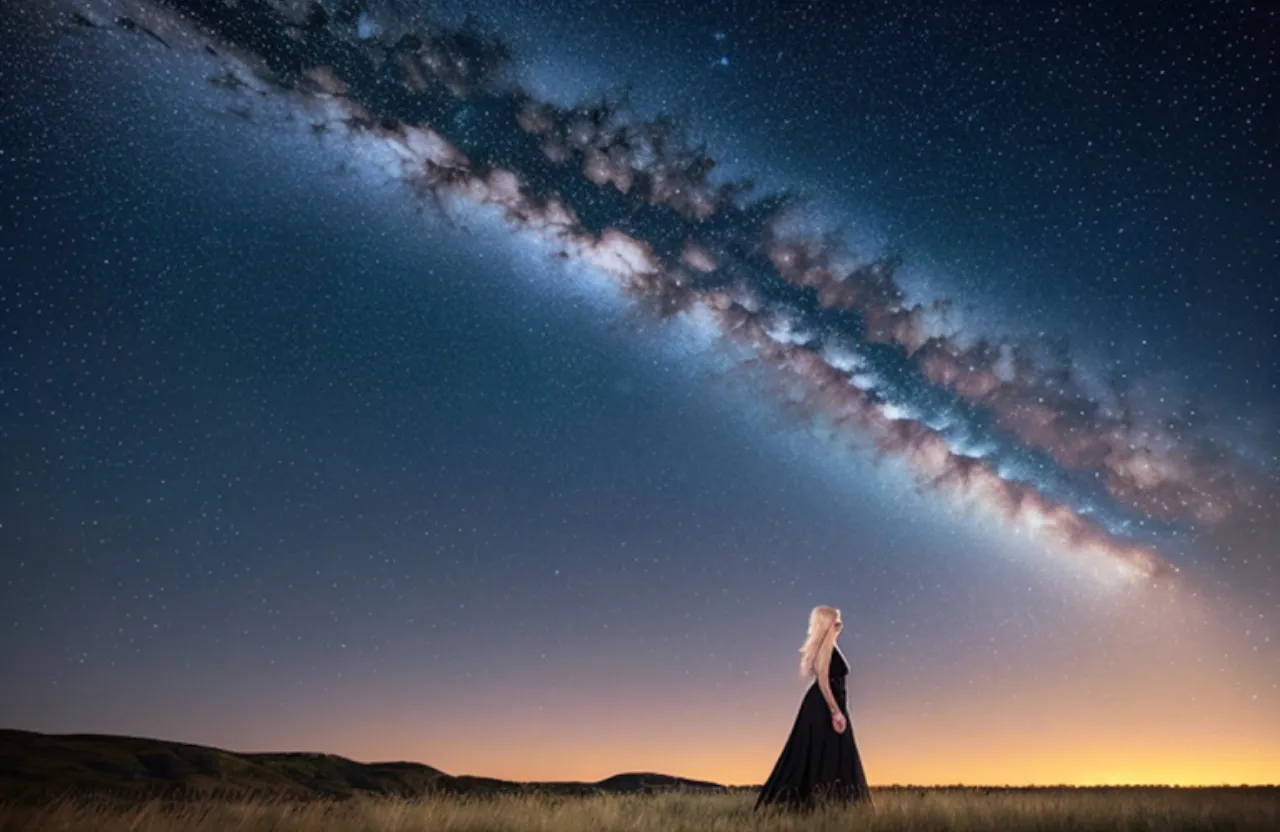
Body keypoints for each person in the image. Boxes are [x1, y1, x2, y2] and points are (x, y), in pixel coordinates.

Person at [754, 605, 873, 812]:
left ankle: (831, 806)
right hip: (824, 705)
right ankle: (819, 806)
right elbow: (824, 682)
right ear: (826, 624)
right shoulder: (825, 646)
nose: (839, 626)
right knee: (821, 753)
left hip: (828, 703)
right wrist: (835, 711)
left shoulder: (828, 644)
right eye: (835, 622)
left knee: (829, 753)